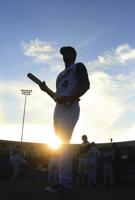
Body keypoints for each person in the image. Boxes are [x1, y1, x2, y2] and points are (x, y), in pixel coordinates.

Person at [39, 46, 90, 192]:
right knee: (60, 144)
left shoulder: (78, 66)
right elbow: (57, 97)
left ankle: (65, 181)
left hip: (71, 105)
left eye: (67, 52)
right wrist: (46, 90)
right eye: (63, 53)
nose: (64, 55)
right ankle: (62, 180)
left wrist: (71, 97)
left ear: (73, 55)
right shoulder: (59, 75)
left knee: (64, 142)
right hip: (59, 108)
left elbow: (85, 85)